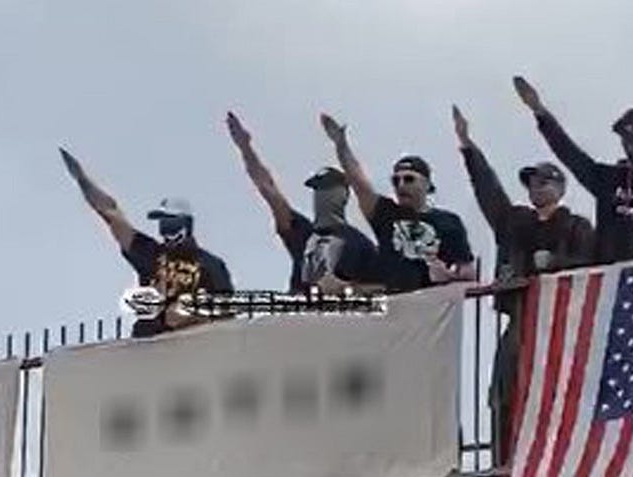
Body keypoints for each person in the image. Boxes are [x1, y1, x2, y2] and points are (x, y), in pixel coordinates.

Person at [453, 105, 595, 477]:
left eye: (545, 182)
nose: (537, 188)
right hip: (522, 317)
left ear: (561, 189)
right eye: (532, 183)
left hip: (560, 322)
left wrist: (556, 262)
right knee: (503, 390)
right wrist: (469, 148)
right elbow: (490, 195)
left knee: (558, 394)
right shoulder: (516, 222)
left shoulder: (577, 226)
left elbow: (593, 265)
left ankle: (559, 470)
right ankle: (502, 473)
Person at [513, 75, 633, 263]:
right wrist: (539, 111)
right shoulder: (607, 179)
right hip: (612, 284)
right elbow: (570, 154)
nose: (631, 139)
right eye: (624, 133)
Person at [60, 148, 234, 338]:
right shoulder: (151, 253)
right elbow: (112, 215)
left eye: (172, 224)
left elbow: (226, 315)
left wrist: (189, 316)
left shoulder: (211, 264)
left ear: (186, 224)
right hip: (149, 345)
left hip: (191, 346)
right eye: (163, 225)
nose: (167, 232)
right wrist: (83, 180)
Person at [224, 111, 379, 294]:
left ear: (344, 195)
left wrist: (344, 288)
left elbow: (386, 290)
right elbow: (268, 189)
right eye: (318, 190)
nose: (322, 196)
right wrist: (246, 148)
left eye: (328, 189)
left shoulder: (359, 243)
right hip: (299, 317)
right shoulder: (303, 233)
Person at [319, 113, 477, 292]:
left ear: (427, 184)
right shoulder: (386, 213)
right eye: (396, 180)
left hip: (429, 304)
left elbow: (469, 273)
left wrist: (448, 276)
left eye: (409, 179)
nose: (401, 185)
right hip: (393, 301)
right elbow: (359, 183)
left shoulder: (448, 222)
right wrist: (342, 147)